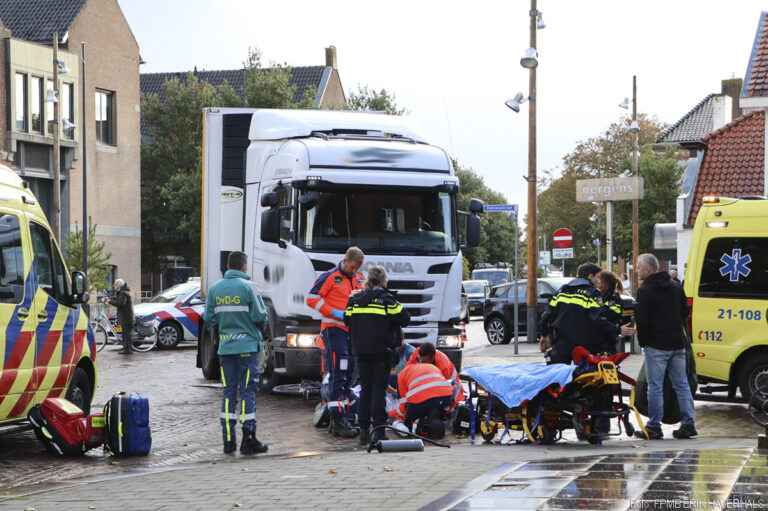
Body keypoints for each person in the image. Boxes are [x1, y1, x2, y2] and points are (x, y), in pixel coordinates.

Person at [203, 251, 269, 454]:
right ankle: (248, 439)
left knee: (228, 393)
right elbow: (261, 316)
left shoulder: (215, 289)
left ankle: (228, 441)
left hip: (225, 349)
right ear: (243, 267)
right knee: (248, 392)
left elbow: (209, 317)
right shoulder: (249, 287)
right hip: (247, 349)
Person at [633, 253, 696, 440]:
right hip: (677, 344)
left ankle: (654, 426)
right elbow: (685, 311)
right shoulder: (676, 287)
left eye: (638, 266)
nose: (636, 270)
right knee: (682, 384)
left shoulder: (645, 291)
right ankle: (688, 424)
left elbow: (641, 321)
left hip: (656, 346)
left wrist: (644, 342)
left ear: (648, 269)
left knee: (655, 387)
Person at [345, 265, 410, 446]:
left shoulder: (356, 300)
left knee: (366, 389)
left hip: (362, 351)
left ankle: (364, 432)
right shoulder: (386, 300)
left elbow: (347, 319)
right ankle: (379, 431)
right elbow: (405, 318)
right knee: (379, 391)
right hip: (382, 352)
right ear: (382, 280)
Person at [306, 246, 365, 438]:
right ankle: (338, 419)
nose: (354, 272)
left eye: (357, 269)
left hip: (353, 332)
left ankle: (340, 419)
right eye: (353, 268)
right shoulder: (329, 276)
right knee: (338, 374)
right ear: (345, 261)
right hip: (335, 330)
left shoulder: (359, 279)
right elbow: (312, 299)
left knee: (348, 375)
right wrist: (334, 312)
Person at [540, 263, 636, 364]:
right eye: (598, 277)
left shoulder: (562, 290)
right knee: (587, 378)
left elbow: (546, 316)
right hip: (584, 346)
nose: (599, 280)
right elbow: (598, 319)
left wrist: (544, 335)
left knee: (558, 376)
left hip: (561, 344)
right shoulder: (593, 293)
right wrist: (618, 330)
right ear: (590, 276)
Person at [394, 363, 454, 438]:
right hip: (446, 396)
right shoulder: (431, 366)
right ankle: (434, 418)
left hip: (421, 399)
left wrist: (395, 416)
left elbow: (403, 404)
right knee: (432, 406)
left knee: (408, 424)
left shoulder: (401, 375)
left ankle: (423, 429)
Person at [404, 342, 464, 407]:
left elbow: (440, 393)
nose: (421, 364)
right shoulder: (417, 353)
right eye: (420, 360)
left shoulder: (444, 368)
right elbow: (407, 372)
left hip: (453, 396)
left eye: (424, 362)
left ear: (432, 359)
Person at [596, 270, 623, 355]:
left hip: (609, 336)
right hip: (598, 336)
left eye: (600, 282)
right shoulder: (599, 296)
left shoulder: (614, 298)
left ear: (607, 284)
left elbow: (610, 313)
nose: (598, 284)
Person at [109, 279, 134, 355]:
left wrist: (109, 301)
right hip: (126, 316)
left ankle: (127, 349)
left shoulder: (123, 293)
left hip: (126, 317)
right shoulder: (122, 292)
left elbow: (120, 303)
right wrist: (110, 298)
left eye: (115, 284)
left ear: (118, 285)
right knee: (125, 333)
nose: (114, 286)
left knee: (125, 334)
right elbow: (118, 299)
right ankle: (128, 348)